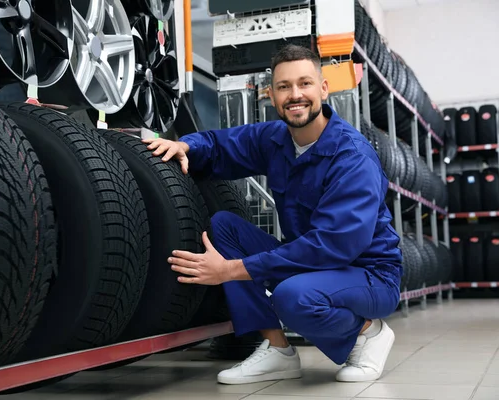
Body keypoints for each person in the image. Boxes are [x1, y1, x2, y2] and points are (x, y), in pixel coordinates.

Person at [142, 44, 402, 385]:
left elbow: (334, 246)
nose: (295, 95)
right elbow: (223, 145)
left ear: (323, 89)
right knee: (225, 227)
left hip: (368, 274)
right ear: (271, 94)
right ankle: (276, 349)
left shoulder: (352, 157)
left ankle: (369, 333)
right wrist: (185, 145)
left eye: (305, 83)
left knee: (293, 297)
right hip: (312, 265)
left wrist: (230, 270)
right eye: (284, 86)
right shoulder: (277, 139)